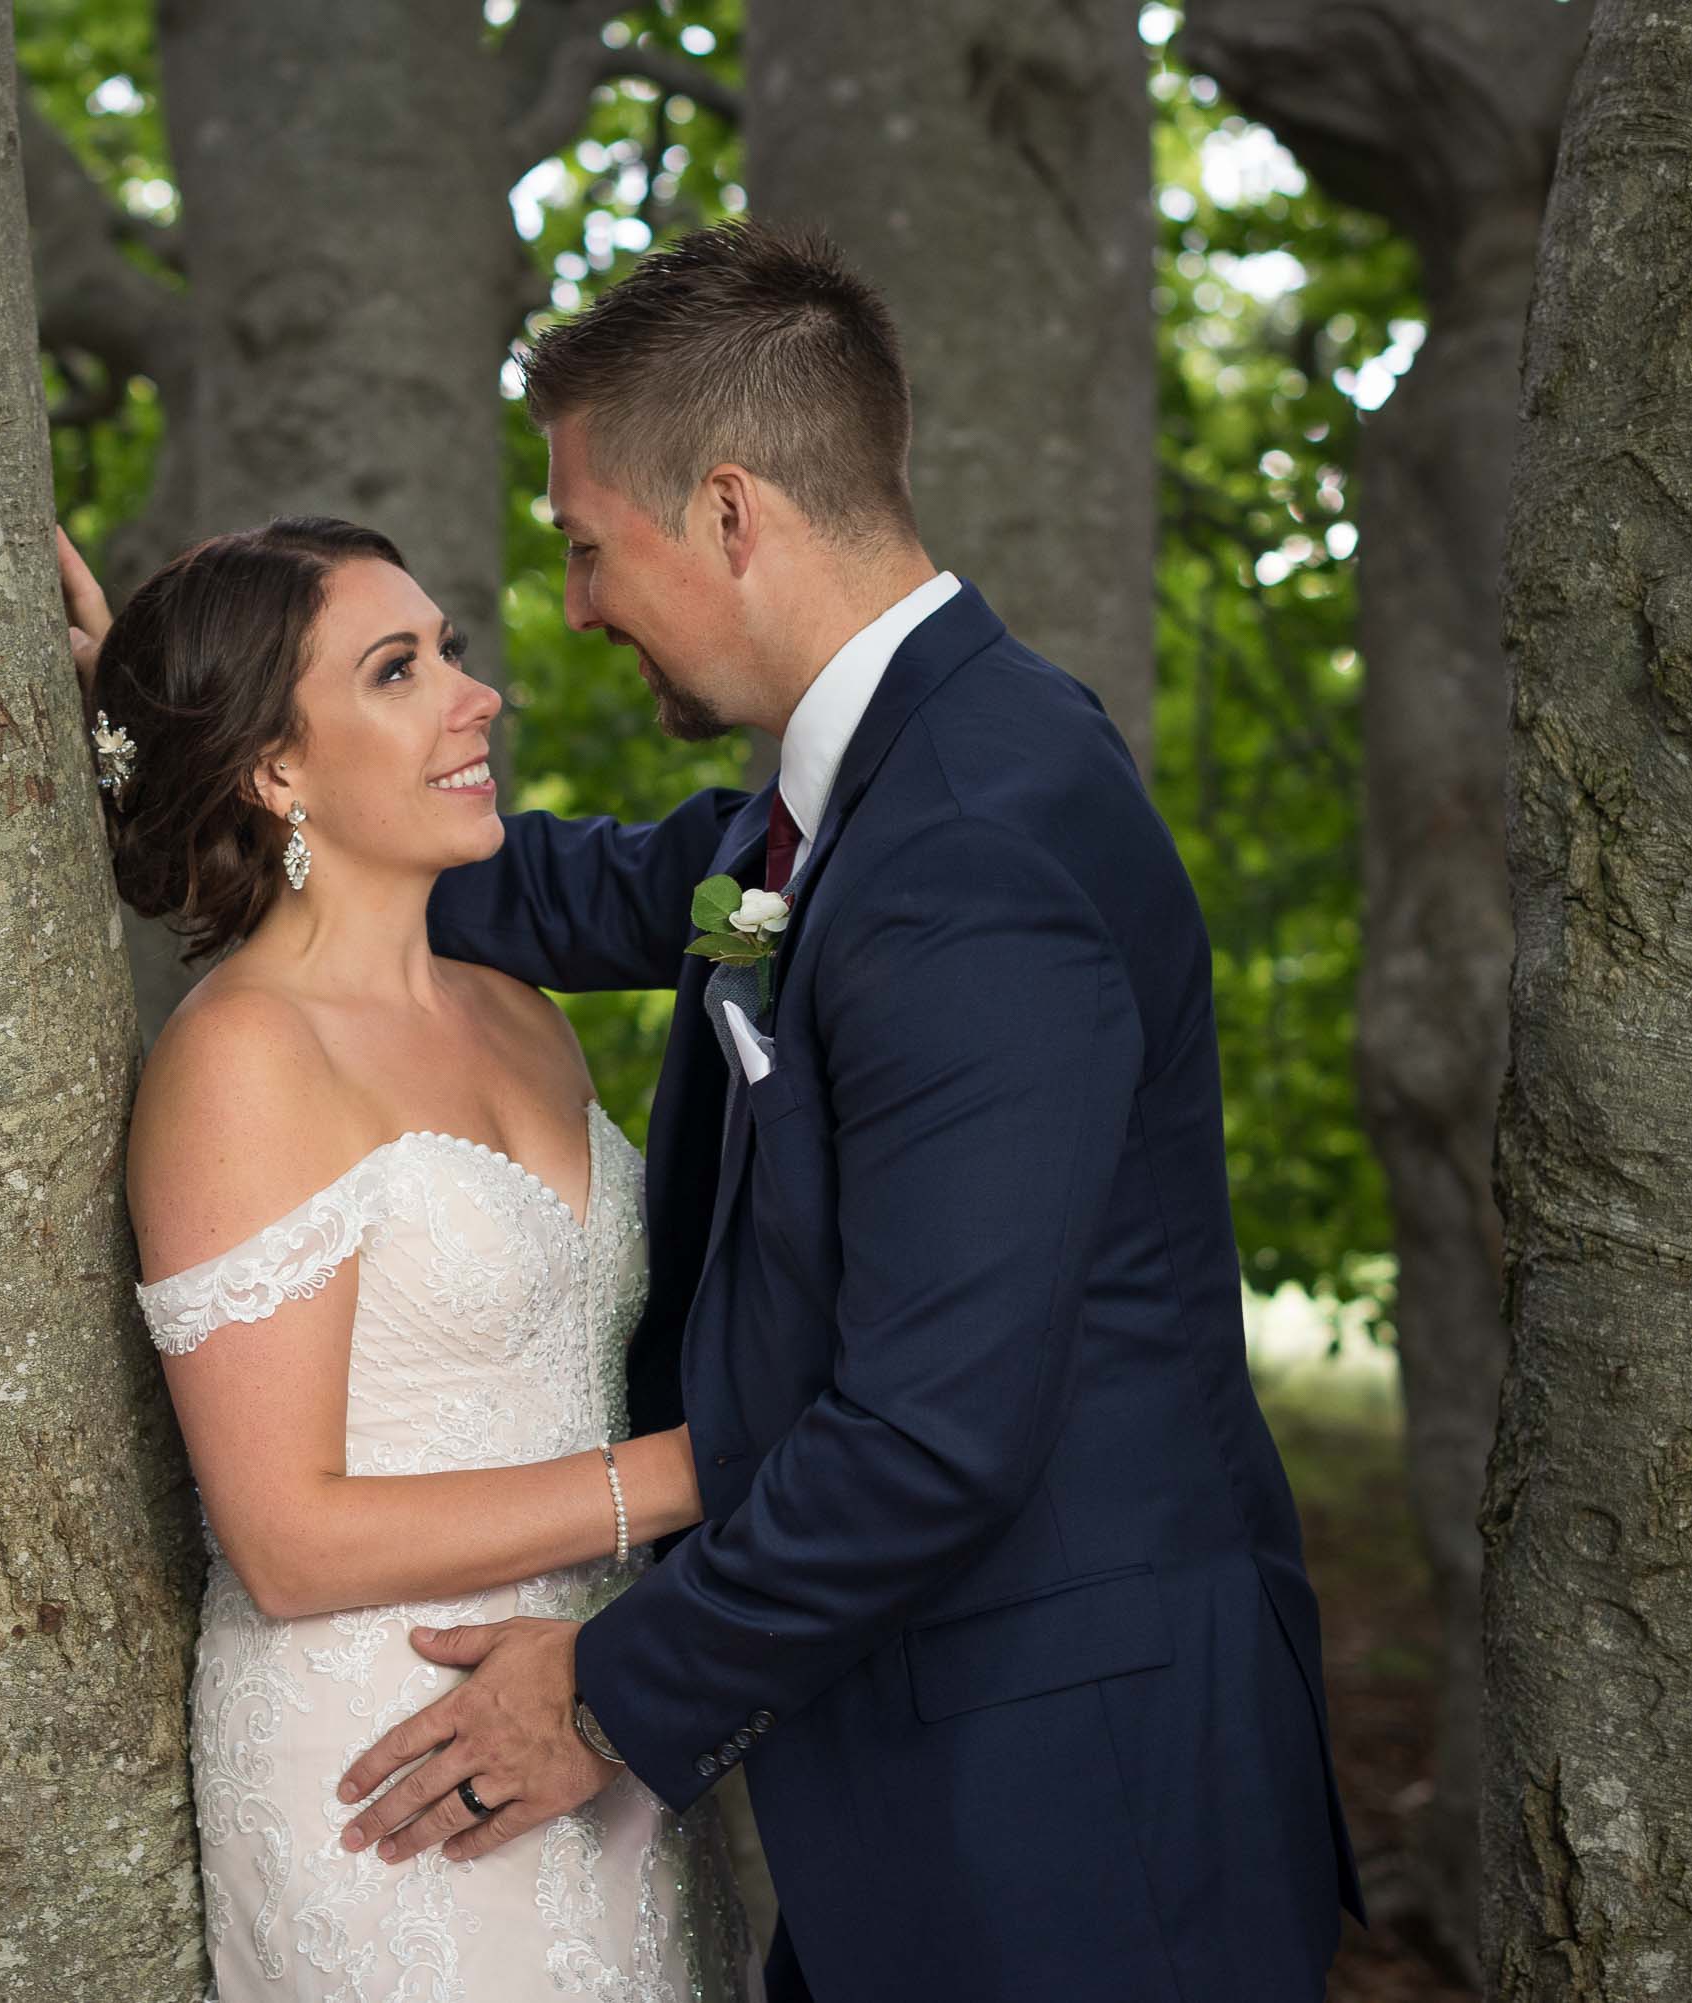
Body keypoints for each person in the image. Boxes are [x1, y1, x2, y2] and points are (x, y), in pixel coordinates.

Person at [287, 221, 1367, 2001]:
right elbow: (588, 891)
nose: (574, 607)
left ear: (728, 513)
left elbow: (933, 1434)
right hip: (943, 1781)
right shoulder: (871, 788)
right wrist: (212, 756)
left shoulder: (972, 848)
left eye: (586, 547)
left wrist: (606, 1698)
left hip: (1075, 1826)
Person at [69, 514, 750, 1999]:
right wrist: (711, 1469)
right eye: (398, 670)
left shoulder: (521, 1013)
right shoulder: (243, 1058)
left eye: (449, 650)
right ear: (273, 768)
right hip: (395, 1756)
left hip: (599, 1720)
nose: (476, 694)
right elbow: (285, 1539)